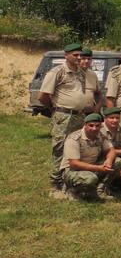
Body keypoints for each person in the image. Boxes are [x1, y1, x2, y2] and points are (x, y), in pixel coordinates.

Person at [38, 42, 91, 195]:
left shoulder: (81, 73)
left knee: (76, 149)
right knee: (60, 149)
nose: (79, 58)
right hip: (63, 116)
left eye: (80, 55)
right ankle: (55, 184)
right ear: (66, 55)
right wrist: (55, 110)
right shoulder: (57, 72)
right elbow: (43, 96)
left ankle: (70, 182)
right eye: (75, 55)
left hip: (79, 116)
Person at [60, 113, 118, 201]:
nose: (94, 128)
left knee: (118, 162)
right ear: (85, 125)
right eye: (91, 125)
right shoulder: (74, 138)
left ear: (101, 126)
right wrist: (99, 168)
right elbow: (74, 164)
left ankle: (100, 190)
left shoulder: (100, 136)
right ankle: (72, 190)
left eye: (97, 126)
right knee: (90, 178)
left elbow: (111, 150)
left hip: (92, 167)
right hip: (72, 170)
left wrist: (109, 161)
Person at [78, 48, 102, 113]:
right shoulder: (72, 72)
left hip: (90, 113)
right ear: (78, 59)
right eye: (83, 58)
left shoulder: (93, 74)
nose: (86, 61)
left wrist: (98, 106)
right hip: (75, 113)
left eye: (89, 59)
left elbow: (98, 93)